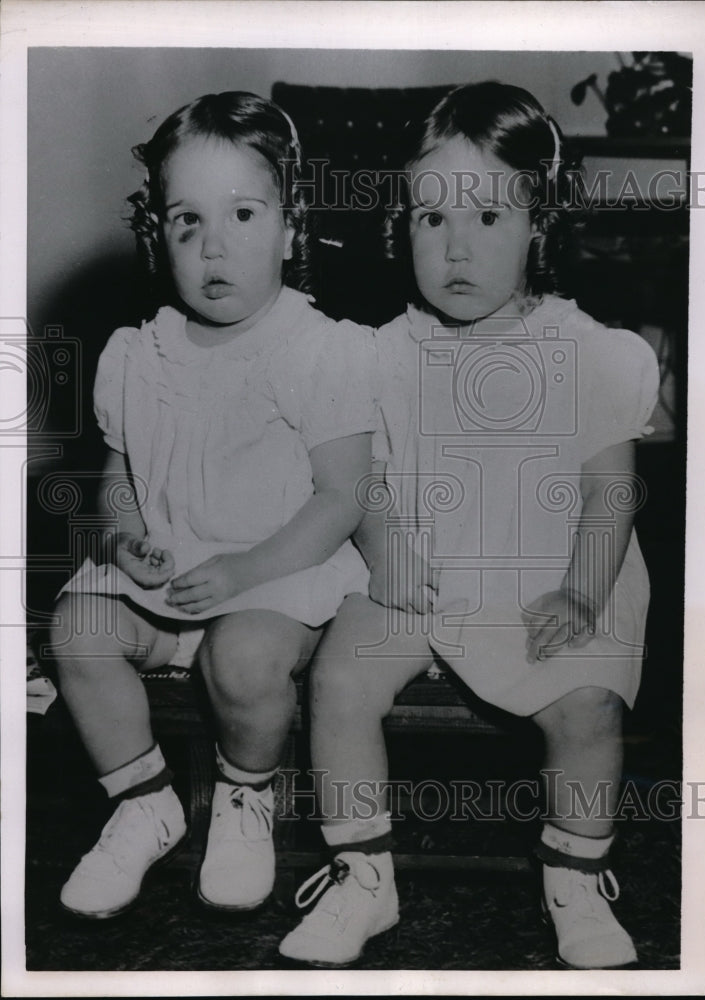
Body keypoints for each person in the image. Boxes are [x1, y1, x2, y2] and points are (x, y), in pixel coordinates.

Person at [279, 81, 660, 969]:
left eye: (489, 218)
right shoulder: (380, 354)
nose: (456, 248)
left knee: (589, 703)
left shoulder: (589, 352)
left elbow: (610, 495)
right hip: (422, 557)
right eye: (430, 218)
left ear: (538, 225)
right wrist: (387, 549)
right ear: (400, 224)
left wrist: (580, 590)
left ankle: (575, 874)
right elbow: (363, 478)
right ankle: (363, 876)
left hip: (558, 568)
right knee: (341, 677)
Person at [50, 91, 375, 920]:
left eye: (242, 213)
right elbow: (118, 480)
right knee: (78, 628)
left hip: (276, 573)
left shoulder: (318, 349)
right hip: (172, 573)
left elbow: (341, 498)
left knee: (246, 660)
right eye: (188, 221)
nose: (215, 246)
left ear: (292, 226)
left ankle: (243, 794)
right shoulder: (134, 354)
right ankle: (143, 800)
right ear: (159, 236)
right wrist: (125, 541)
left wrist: (245, 570)